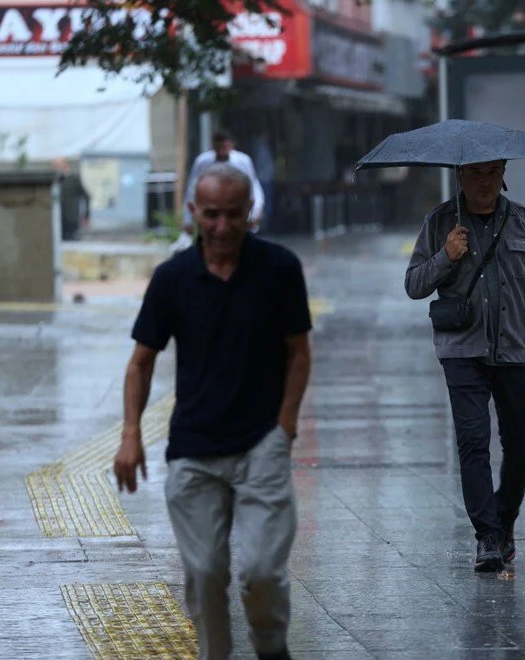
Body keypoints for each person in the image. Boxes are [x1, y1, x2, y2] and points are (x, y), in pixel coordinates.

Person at [114, 163, 313, 660]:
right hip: (193, 451)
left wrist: (285, 426)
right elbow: (140, 363)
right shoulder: (173, 278)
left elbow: (299, 351)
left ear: (251, 213)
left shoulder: (279, 269)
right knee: (205, 574)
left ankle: (271, 647)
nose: (222, 227)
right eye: (211, 215)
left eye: (233, 215)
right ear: (192, 215)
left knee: (263, 572)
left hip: (261, 443)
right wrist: (131, 434)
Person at [405, 160, 525, 573]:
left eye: (491, 173)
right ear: (460, 177)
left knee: (520, 444)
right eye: (475, 173)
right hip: (461, 350)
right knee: (473, 443)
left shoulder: (523, 222)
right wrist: (445, 257)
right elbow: (414, 284)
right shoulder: (440, 223)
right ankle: (487, 536)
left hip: (516, 350)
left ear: (502, 172)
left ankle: (504, 521)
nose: (484, 182)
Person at [171, 130, 266, 254]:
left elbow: (253, 186)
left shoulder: (242, 161)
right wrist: (188, 220)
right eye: (219, 147)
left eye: (225, 147)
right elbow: (192, 189)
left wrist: (255, 212)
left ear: (231, 146)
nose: (222, 151)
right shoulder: (203, 162)